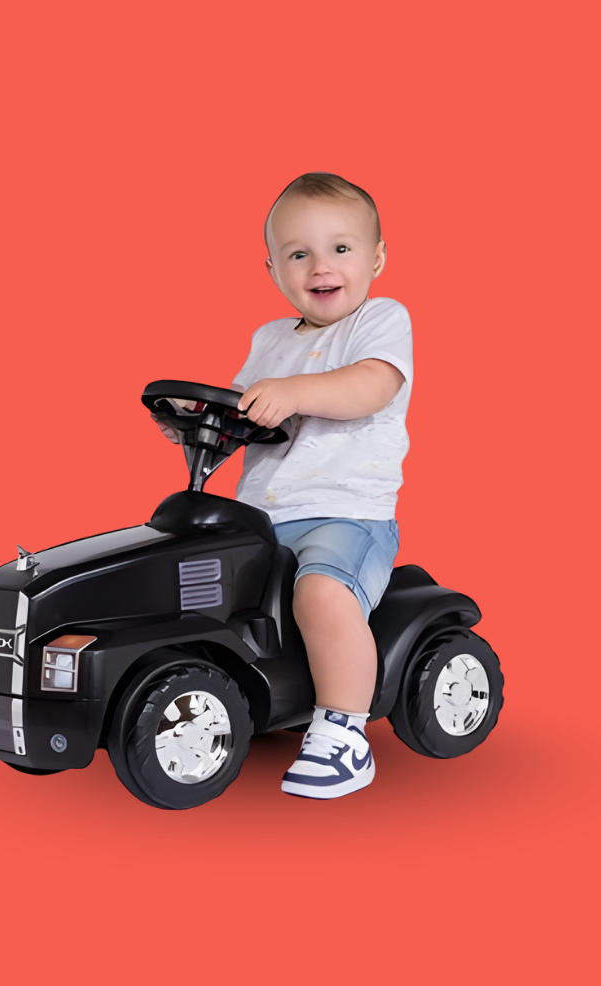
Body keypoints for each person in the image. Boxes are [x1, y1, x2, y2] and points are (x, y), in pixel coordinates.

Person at [158, 172, 412, 799]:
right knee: (192, 578)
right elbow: (246, 415)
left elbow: (371, 387)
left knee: (322, 592)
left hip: (345, 516)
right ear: (272, 267)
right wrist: (200, 429)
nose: (320, 266)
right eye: (299, 253)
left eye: (341, 249)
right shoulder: (269, 340)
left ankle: (344, 736)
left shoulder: (379, 322)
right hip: (263, 520)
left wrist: (293, 394)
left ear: (377, 257)